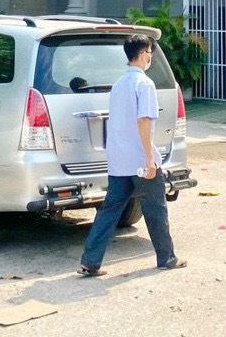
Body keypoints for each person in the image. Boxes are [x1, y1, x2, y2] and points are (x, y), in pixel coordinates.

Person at [78, 34, 186, 276]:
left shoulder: (119, 84)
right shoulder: (144, 84)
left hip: (119, 160)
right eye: (150, 52)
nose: (151, 56)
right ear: (144, 54)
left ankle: (90, 262)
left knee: (109, 211)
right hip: (139, 160)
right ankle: (167, 258)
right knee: (156, 210)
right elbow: (144, 120)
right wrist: (149, 158)